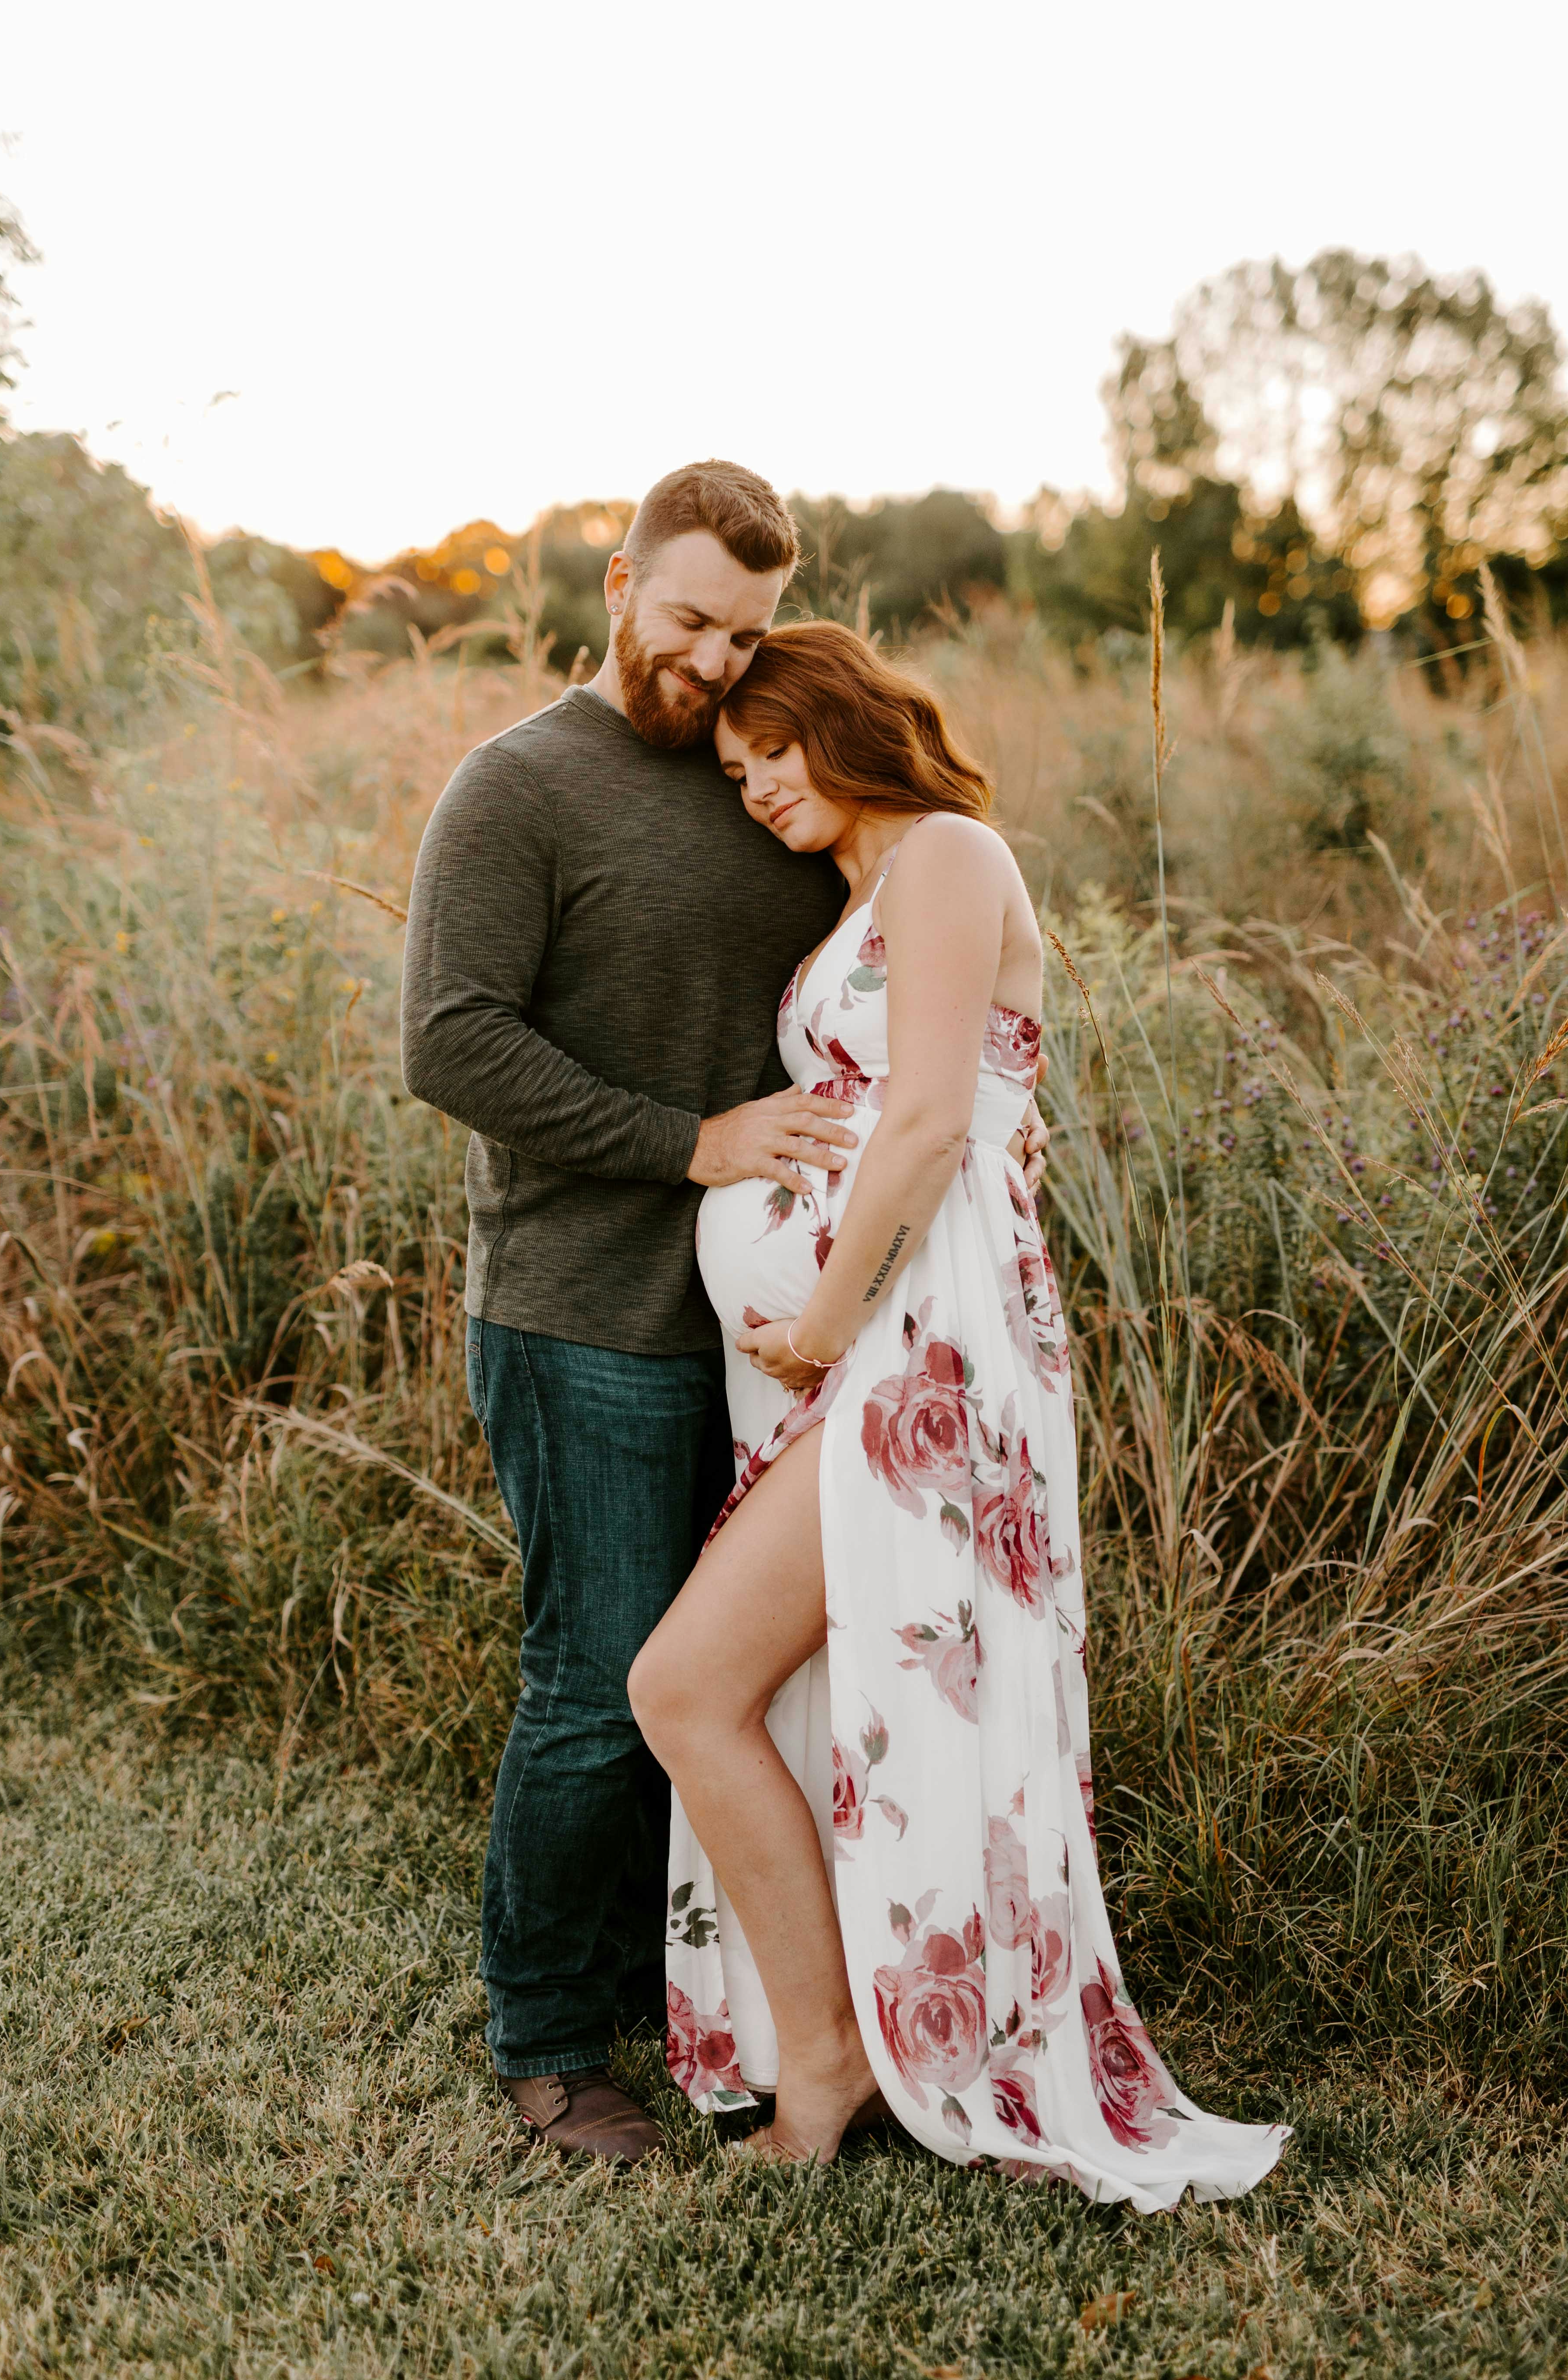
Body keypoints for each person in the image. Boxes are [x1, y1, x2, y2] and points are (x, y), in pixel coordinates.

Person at [401, 459, 1054, 2163]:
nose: (714, 664)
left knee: (751, 1693)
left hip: (781, 1361)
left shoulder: (767, 779)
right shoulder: (517, 787)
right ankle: (553, 2048)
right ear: (617, 581)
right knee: (599, 1675)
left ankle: (745, 2008)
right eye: (692, 619)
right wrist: (695, 1149)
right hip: (583, 1312)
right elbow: (451, 1044)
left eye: (749, 634)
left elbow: (923, 1032)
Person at [629, 622, 1290, 2209]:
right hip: (867, 1344)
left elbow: (928, 1118)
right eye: (735, 773)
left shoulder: (943, 853)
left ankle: (841, 2051)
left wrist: (830, 1325)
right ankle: (832, 2032)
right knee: (734, 1690)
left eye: (772, 749)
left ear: (842, 719)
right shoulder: (865, 892)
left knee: (684, 1683)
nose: (756, 787)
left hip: (911, 1349)